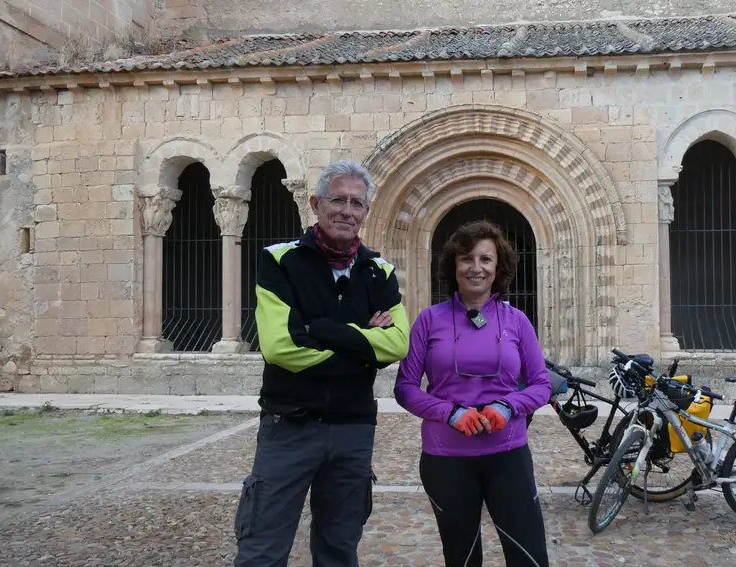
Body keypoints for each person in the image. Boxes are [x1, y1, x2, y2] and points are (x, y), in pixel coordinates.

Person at [234, 160, 410, 567]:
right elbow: (280, 348)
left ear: (366, 212)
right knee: (262, 549)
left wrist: (320, 329)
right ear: (315, 203)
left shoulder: (379, 271)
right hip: (290, 427)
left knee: (339, 551)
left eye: (357, 203)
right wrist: (362, 346)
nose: (347, 211)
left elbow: (397, 343)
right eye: (338, 200)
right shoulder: (280, 261)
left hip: (353, 431)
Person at [394, 220, 552, 567]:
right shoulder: (429, 320)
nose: (476, 268)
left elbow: (542, 384)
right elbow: (405, 388)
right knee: (462, 559)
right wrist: (450, 413)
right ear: (454, 265)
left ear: (499, 268)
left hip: (507, 455)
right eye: (466, 258)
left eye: (485, 259)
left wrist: (508, 406)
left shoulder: (517, 321)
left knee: (530, 557)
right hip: (445, 459)